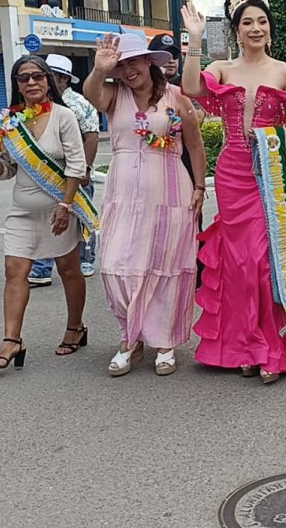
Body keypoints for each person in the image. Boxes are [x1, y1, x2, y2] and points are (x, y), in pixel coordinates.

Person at [180, 0, 286, 384]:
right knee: (240, 263)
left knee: (267, 259)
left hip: (270, 173)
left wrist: (283, 160)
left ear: (270, 29)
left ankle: (271, 347)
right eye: (247, 22)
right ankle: (244, 345)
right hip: (232, 173)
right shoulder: (223, 67)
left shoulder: (283, 72)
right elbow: (191, 89)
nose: (256, 28)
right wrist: (194, 40)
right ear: (236, 31)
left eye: (262, 21)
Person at [80, 34, 206, 377]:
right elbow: (91, 94)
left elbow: (194, 146)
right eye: (121, 65)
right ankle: (131, 337)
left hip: (170, 194)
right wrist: (99, 69)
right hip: (123, 194)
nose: (127, 70)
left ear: (149, 62)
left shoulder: (176, 98)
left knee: (165, 267)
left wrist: (198, 186)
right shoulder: (113, 96)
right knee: (115, 265)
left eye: (132, 61)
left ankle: (163, 341)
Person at [0, 56, 92, 370]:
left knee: (68, 270)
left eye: (37, 76)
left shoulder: (63, 116)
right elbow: (5, 171)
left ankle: (75, 327)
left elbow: (76, 164)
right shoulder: (10, 121)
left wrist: (65, 205)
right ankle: (11, 339)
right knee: (14, 271)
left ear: (48, 81)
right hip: (22, 210)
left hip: (60, 207)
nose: (31, 83)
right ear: (16, 85)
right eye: (23, 78)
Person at [28, 54, 101, 285]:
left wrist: (85, 169)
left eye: (48, 76)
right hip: (46, 173)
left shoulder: (79, 104)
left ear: (63, 79)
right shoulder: (37, 105)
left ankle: (85, 259)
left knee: (80, 216)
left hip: (74, 171)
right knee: (45, 220)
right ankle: (42, 267)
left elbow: (91, 137)